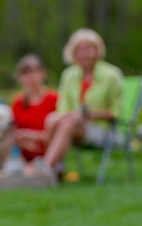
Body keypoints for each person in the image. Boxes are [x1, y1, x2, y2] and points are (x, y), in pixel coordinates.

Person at [43, 28, 123, 174]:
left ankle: (46, 169)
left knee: (68, 124)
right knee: (51, 119)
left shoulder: (111, 75)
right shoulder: (69, 75)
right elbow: (62, 107)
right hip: (74, 125)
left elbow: (117, 112)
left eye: (89, 48)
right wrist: (73, 116)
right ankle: (56, 167)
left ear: (98, 49)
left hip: (103, 130)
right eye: (79, 49)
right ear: (72, 52)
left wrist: (88, 115)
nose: (84, 53)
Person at [10, 54, 58, 174]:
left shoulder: (54, 99)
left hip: (50, 156)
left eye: (34, 72)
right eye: (25, 73)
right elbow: (12, 132)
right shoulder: (18, 102)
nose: (30, 77)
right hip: (23, 157)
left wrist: (32, 136)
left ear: (43, 73)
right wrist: (22, 140)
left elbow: (59, 135)